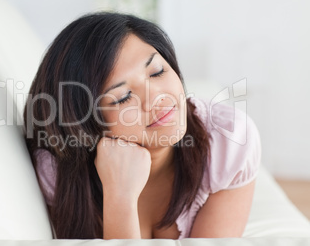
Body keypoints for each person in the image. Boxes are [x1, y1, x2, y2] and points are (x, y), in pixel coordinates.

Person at [23, 12, 262, 240]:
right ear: (85, 122)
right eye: (123, 97)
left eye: (157, 72)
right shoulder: (57, 171)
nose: (157, 98)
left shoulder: (229, 140)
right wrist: (120, 197)